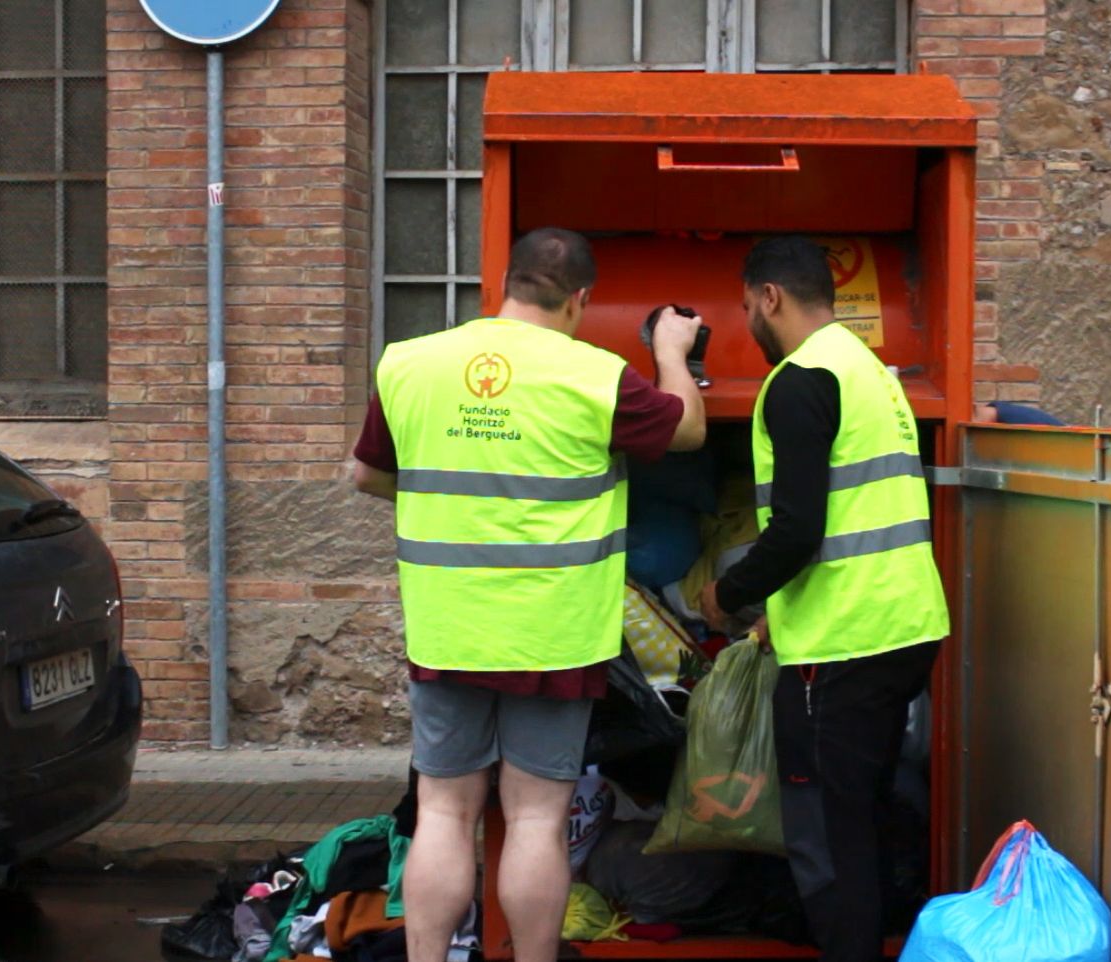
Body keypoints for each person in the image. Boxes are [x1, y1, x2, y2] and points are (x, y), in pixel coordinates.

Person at [352, 227, 706, 962]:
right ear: (581, 299)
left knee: (444, 811)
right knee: (538, 820)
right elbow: (690, 431)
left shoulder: (410, 363)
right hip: (554, 634)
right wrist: (671, 352)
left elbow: (368, 475)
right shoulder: (597, 375)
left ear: (506, 286)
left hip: (449, 628)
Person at [699, 236, 950, 962]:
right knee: (864, 817)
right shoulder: (870, 369)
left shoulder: (800, 379)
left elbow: (799, 531)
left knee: (831, 839)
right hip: (905, 625)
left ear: (770, 297)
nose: (747, 318)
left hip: (845, 641)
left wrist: (729, 595)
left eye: (748, 305)